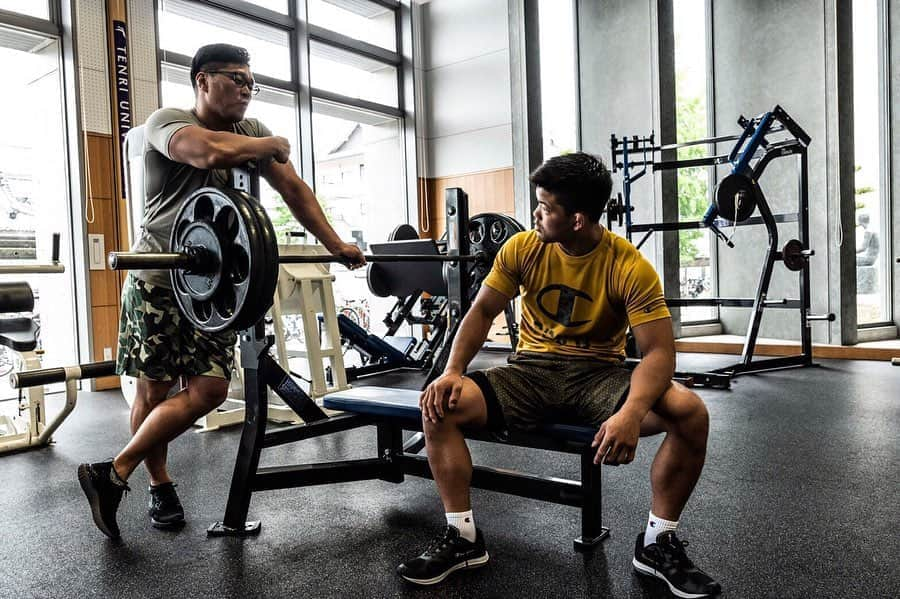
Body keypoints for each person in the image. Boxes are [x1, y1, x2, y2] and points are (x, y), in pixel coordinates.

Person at [397, 153, 721, 597]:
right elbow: (482, 311)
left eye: (546, 208)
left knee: (690, 411)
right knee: (438, 407)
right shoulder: (524, 247)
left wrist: (631, 412)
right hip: (530, 371)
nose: (535, 213)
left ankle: (656, 542)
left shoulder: (628, 266)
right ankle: (464, 537)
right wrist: (452, 370)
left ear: (578, 219)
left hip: (598, 375)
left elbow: (659, 352)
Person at [77, 43, 365, 539]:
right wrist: (269, 144)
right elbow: (207, 151)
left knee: (210, 388)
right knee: (155, 390)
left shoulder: (249, 132)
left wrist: (334, 243)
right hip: (159, 279)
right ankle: (159, 484)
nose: (246, 90)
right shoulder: (166, 121)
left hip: (211, 287)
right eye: (235, 79)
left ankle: (114, 471)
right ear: (202, 80)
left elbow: (293, 190)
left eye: (252, 82)